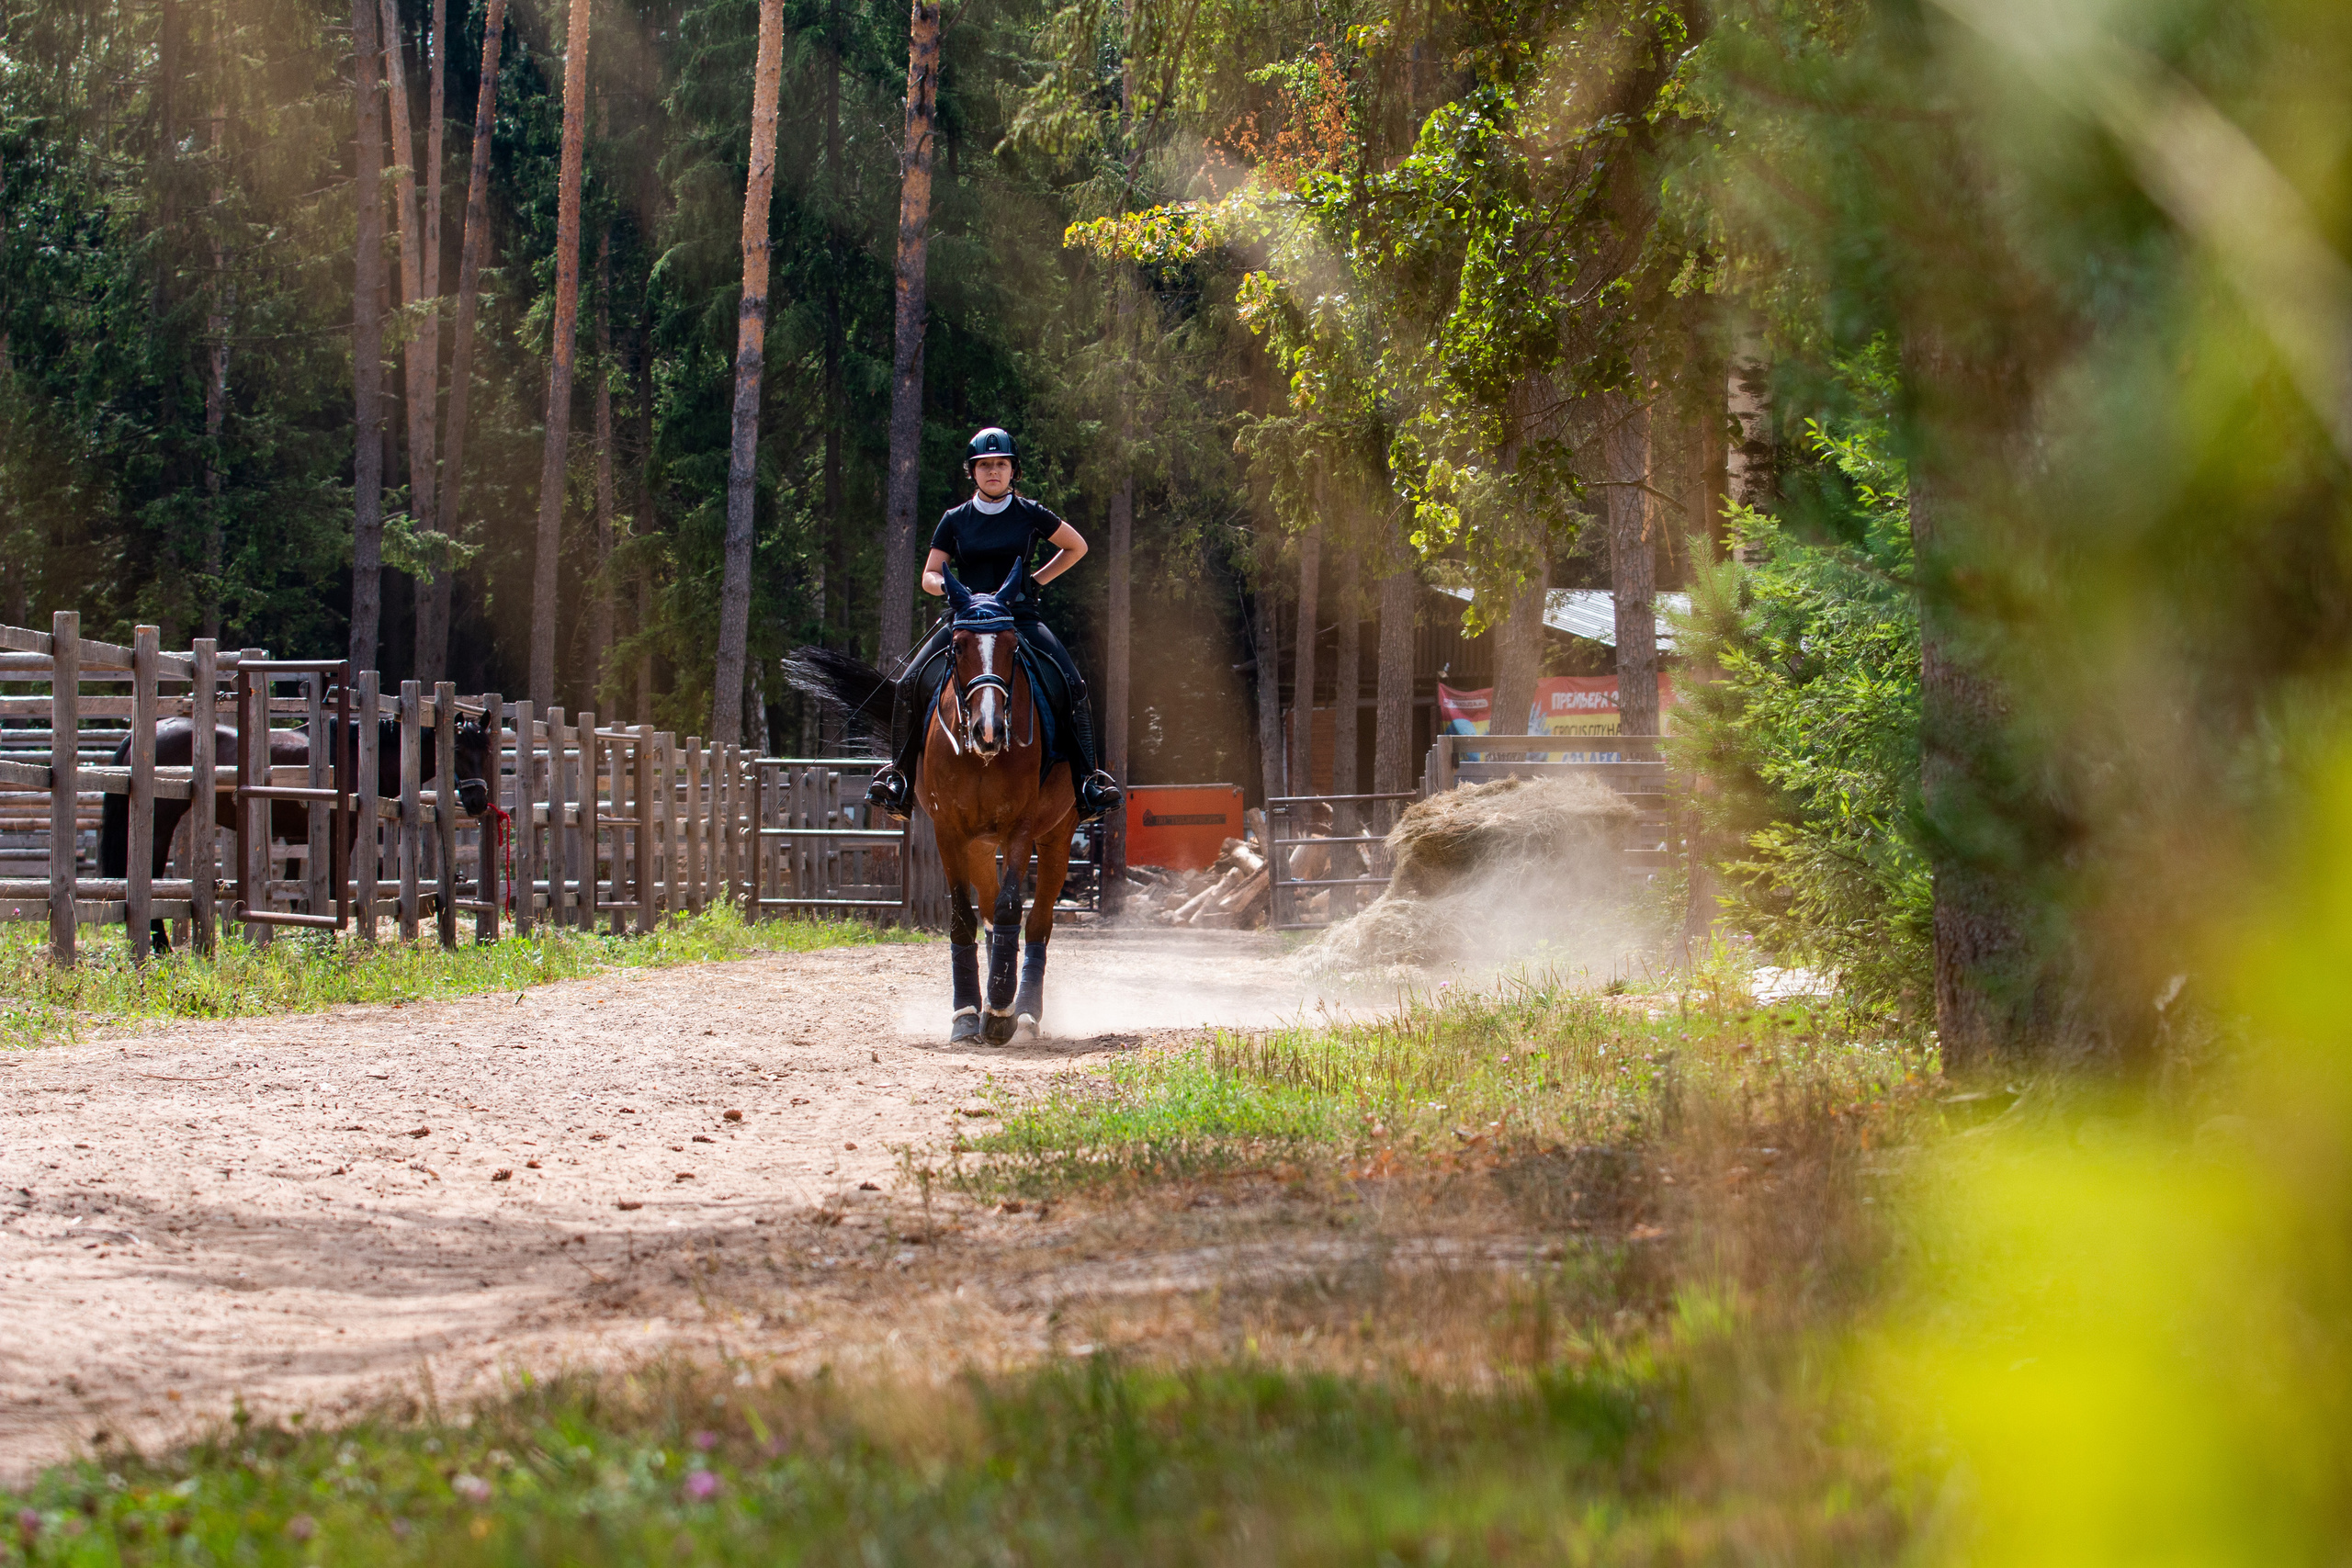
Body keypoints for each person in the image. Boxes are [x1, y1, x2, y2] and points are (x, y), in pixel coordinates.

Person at [865, 427, 1125, 821]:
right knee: (907, 685)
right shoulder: (955, 520)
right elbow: (929, 574)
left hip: (1017, 618)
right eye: (984, 465)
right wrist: (952, 590)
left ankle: (1088, 782)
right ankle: (898, 779)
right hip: (966, 621)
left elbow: (1077, 546)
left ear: (1012, 471)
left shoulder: (1031, 513)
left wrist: (1035, 582)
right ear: (973, 471)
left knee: (1073, 683)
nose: (992, 471)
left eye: (1000, 464)